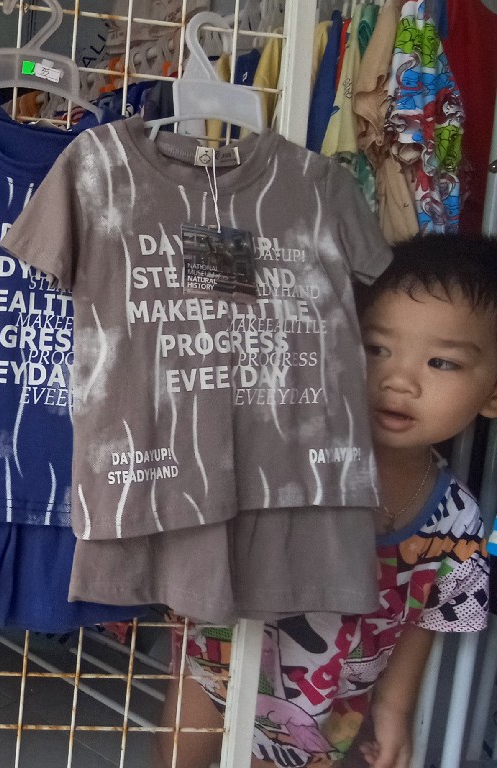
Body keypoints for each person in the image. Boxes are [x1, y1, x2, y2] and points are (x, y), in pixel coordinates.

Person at [158, 234, 495, 768]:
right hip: (222, 656)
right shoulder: (296, 457)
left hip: (326, 704)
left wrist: (394, 708)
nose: (399, 380)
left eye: (441, 362)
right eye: (375, 348)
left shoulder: (458, 521)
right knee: (181, 755)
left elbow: (427, 619)